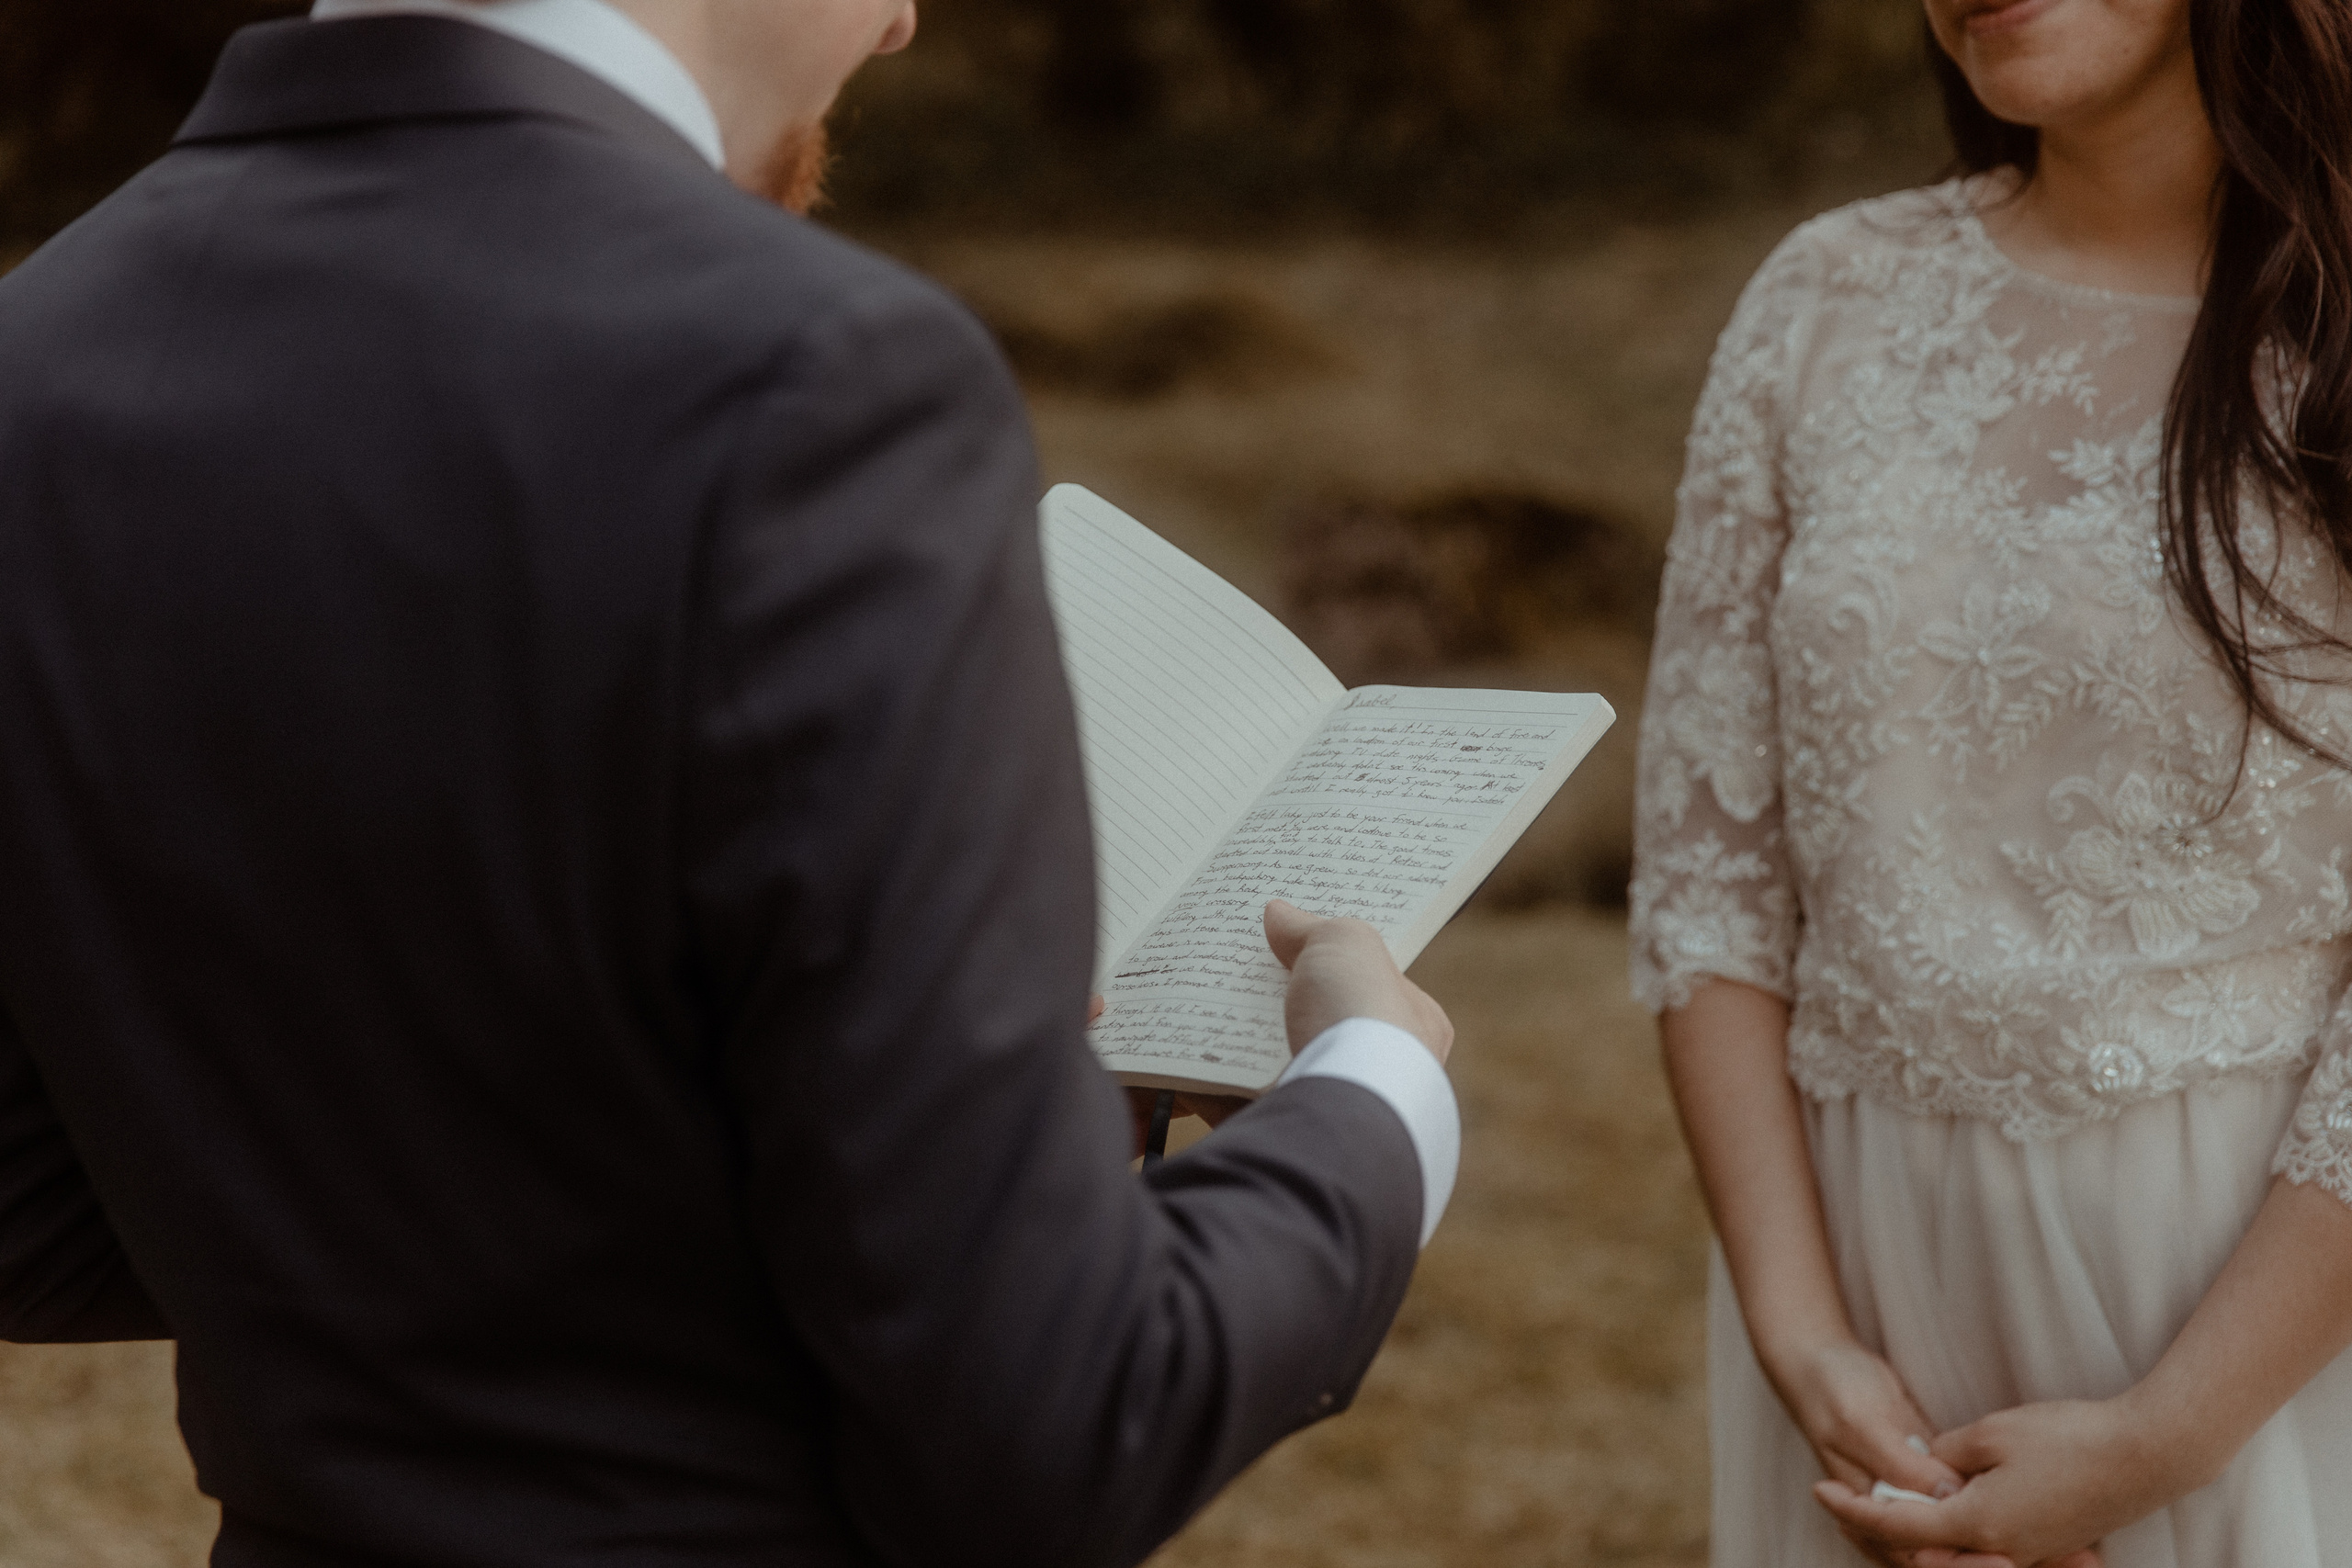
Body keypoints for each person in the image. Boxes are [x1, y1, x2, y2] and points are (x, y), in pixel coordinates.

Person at [0, 3, 1464, 1565]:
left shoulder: (42, 348)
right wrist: (1375, 1096)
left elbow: (29, 1221)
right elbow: (1064, 1415)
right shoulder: (815, 378)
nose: (901, 22)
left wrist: (871, 1133)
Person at [1629, 0, 2352, 1563]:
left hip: (2253, 1307)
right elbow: (1710, 883)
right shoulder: (1822, 298)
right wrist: (1804, 1337)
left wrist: (2171, 1434)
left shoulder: (2337, 328)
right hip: (1860, 1301)